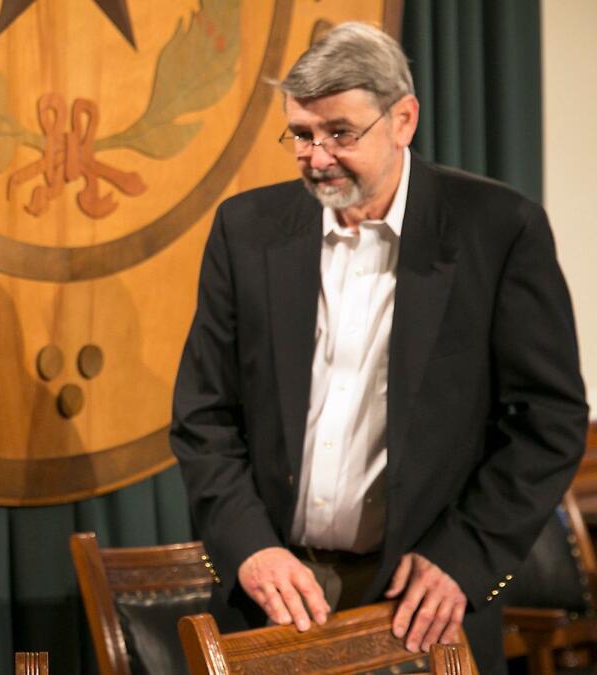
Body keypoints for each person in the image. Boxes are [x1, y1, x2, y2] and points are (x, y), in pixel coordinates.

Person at [169, 22, 587, 673]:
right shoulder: (245, 229)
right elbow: (203, 414)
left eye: (340, 133)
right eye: (302, 135)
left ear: (403, 119)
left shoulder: (498, 229)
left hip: (424, 601)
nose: (317, 157)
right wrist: (249, 545)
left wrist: (466, 556)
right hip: (275, 593)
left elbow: (550, 420)